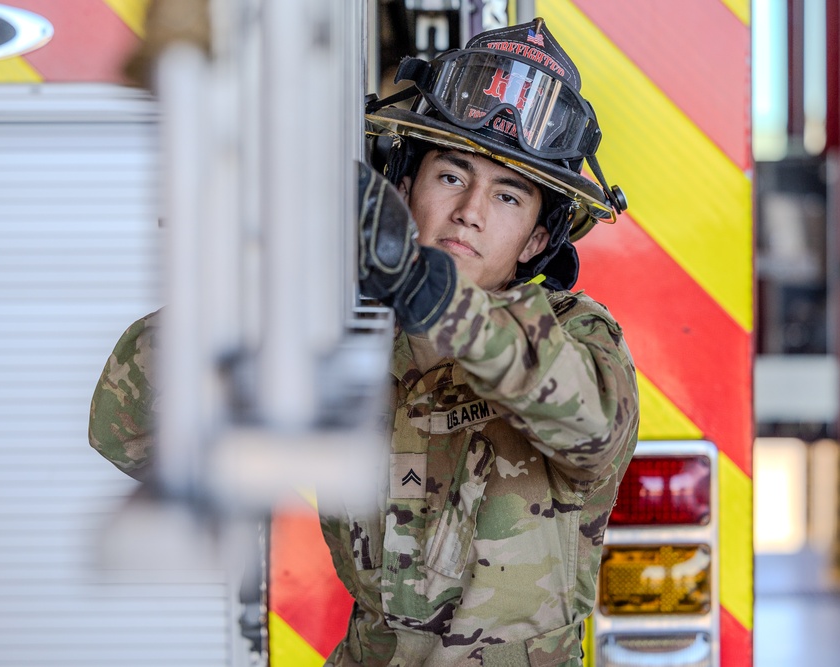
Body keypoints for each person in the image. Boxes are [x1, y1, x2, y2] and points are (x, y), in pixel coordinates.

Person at [89, 18, 638, 667]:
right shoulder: (347, 335)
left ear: (538, 240)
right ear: (405, 187)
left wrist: (425, 286)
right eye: (452, 175)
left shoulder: (576, 337)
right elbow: (127, 431)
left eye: (508, 195)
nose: (470, 211)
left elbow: (594, 424)